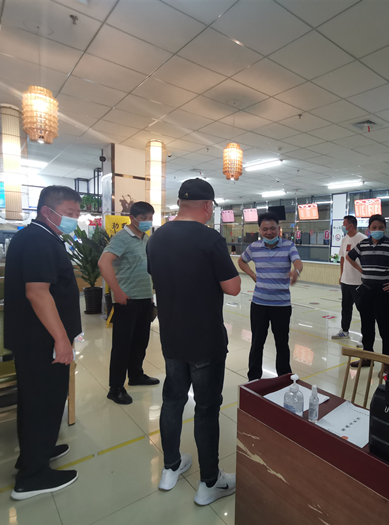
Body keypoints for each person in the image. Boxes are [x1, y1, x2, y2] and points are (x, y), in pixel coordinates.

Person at [146, 179, 241, 506]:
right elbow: (233, 287)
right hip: (205, 340)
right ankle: (210, 482)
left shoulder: (156, 238)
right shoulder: (210, 238)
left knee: (172, 400)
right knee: (206, 408)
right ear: (207, 205)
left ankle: (170, 467)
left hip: (172, 337)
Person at [4, 186, 82, 500]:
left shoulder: (38, 237)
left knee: (36, 400)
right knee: (43, 402)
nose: (74, 219)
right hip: (42, 340)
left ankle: (35, 454)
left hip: (34, 338)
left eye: (77, 214)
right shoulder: (39, 240)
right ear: (47, 211)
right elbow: (37, 292)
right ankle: (32, 477)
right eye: (69, 213)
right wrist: (61, 340)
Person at [99, 201, 159, 406]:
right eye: (143, 218)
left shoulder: (145, 238)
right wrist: (117, 291)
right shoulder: (121, 238)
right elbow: (103, 262)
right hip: (127, 301)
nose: (147, 222)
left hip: (144, 299)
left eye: (150, 218)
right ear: (132, 218)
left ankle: (136, 375)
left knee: (140, 342)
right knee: (122, 346)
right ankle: (115, 388)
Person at [238, 212, 303, 381]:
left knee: (282, 343)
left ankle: (284, 377)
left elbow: (298, 262)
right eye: (265, 229)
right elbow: (241, 261)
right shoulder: (254, 247)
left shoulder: (288, 246)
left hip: (281, 305)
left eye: (273, 228)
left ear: (279, 229)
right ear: (260, 230)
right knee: (257, 342)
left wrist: (295, 271)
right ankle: (253, 378)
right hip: (259, 304)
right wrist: (252, 275)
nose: (269, 232)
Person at [346, 214, 389, 367]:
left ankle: (388, 363)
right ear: (369, 229)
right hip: (366, 292)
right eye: (374, 227)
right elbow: (349, 257)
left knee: (385, 328)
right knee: (366, 327)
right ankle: (367, 358)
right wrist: (362, 270)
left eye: (380, 227)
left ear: (385, 228)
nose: (377, 230)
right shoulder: (363, 244)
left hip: (383, 292)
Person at [332, 215, 366, 340]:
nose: (343, 226)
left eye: (344, 224)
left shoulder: (363, 239)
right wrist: (342, 275)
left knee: (363, 310)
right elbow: (342, 258)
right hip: (346, 281)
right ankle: (344, 331)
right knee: (346, 308)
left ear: (351, 226)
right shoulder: (345, 239)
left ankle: (366, 336)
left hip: (359, 281)